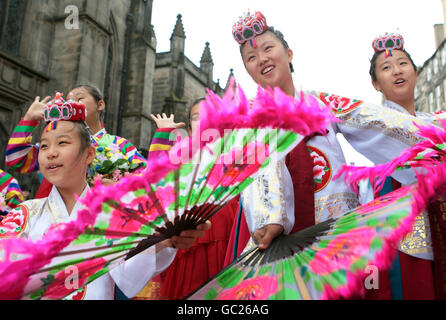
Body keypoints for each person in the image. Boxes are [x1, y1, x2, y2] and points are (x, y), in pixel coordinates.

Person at [228, 11, 440, 298]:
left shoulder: (321, 103)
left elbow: (374, 121)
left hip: (335, 236)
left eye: (268, 48)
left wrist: (435, 137)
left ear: (289, 53)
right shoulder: (248, 122)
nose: (262, 58)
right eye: (251, 58)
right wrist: (270, 217)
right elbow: (257, 171)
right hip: (281, 244)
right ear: (248, 70)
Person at [0, 98, 211, 300]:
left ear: (90, 154)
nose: (51, 153)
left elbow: (128, 278)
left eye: (62, 143)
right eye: (44, 146)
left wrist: (163, 241)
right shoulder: (24, 214)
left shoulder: (115, 215)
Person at [363, 32, 443, 300]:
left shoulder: (435, 124)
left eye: (403, 63)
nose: (397, 71)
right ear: (375, 84)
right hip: (403, 233)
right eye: (386, 68)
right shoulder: (372, 127)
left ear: (416, 73)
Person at [133, 99, 239, 299]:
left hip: (228, 241)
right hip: (189, 245)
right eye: (197, 117)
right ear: (190, 131)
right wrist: (164, 133)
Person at [5, 84, 146, 198]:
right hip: (56, 221)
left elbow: (150, 180)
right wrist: (29, 119)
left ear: (100, 104)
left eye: (79, 98)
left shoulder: (120, 144)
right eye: (68, 101)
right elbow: (15, 159)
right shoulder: (55, 145)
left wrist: (119, 188)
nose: (71, 103)